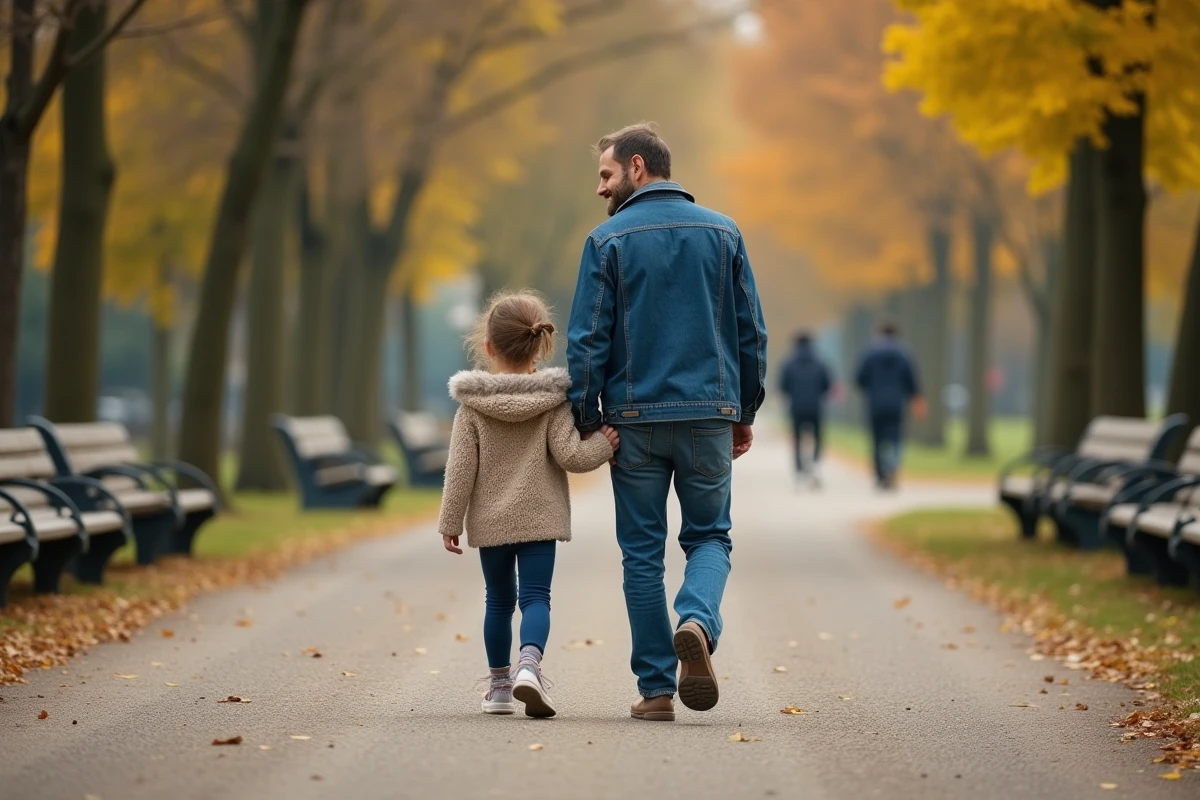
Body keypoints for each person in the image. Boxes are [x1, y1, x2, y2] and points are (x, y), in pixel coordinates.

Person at [566, 123, 768, 722]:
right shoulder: (724, 232)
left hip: (632, 424)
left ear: (636, 166)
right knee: (709, 537)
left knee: (641, 554)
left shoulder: (606, 241)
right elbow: (751, 332)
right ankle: (698, 622)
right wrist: (743, 409)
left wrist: (586, 418)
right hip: (708, 415)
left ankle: (656, 691)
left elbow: (586, 340)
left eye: (605, 175)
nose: (601, 190)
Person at [438, 290, 621, 718]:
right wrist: (602, 444)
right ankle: (530, 666)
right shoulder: (554, 403)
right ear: (541, 344)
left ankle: (500, 687)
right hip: (540, 518)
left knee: (498, 601)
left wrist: (450, 521)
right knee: (536, 597)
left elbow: (460, 470)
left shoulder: (472, 409)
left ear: (488, 347)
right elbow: (571, 457)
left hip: (491, 523)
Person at [854, 320, 924, 490]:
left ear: (879, 334)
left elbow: (859, 379)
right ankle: (892, 468)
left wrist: (871, 389)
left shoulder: (869, 353)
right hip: (896, 403)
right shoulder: (904, 354)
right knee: (895, 438)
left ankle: (880, 474)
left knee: (877, 440)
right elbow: (912, 381)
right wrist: (915, 398)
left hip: (875, 403)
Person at [778, 332, 834, 487]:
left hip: (796, 407)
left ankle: (799, 470)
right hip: (815, 406)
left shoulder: (788, 363)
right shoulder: (821, 362)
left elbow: (783, 386)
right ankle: (815, 466)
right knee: (817, 437)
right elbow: (827, 385)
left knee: (797, 438)